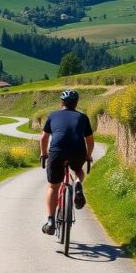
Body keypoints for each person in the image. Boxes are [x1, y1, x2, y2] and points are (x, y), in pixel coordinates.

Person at [39, 89, 94, 235]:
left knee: (53, 187)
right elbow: (90, 140)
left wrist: (44, 154)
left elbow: (44, 138)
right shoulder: (83, 118)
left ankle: (50, 221)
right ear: (76, 103)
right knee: (78, 170)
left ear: (61, 103)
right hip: (78, 150)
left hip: (57, 152)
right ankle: (77, 185)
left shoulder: (53, 115)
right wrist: (88, 156)